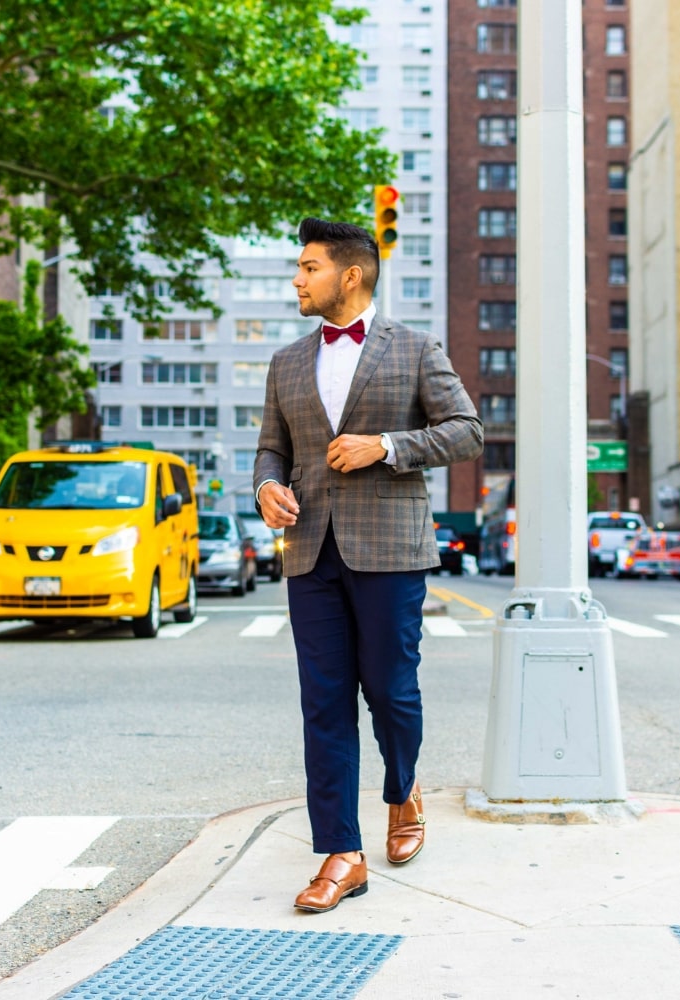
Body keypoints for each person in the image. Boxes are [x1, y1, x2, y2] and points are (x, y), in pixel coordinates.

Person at [253, 217, 484, 914]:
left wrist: (385, 445)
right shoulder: (286, 361)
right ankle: (341, 854)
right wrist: (266, 486)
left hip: (388, 551)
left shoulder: (413, 349)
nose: (296, 279)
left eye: (307, 267)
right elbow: (271, 449)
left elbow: (466, 432)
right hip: (309, 554)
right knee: (322, 704)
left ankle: (402, 790)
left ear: (348, 276)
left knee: (390, 693)